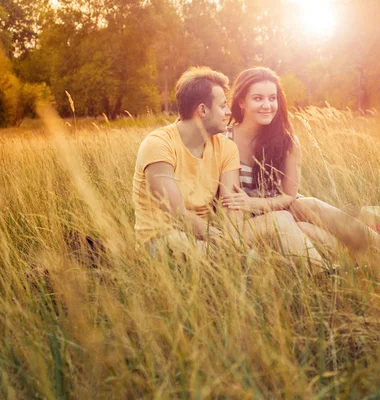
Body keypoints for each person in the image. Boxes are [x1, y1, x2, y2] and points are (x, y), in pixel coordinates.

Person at [221, 67, 380, 271]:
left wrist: (253, 202)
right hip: (249, 223)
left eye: (272, 98)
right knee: (309, 231)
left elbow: (288, 196)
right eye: (258, 98)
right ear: (241, 101)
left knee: (309, 205)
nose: (267, 105)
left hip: (282, 211)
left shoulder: (287, 142)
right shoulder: (223, 139)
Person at [132, 66, 325, 272]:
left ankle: (324, 276)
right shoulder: (158, 144)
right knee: (248, 262)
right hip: (164, 240)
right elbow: (176, 213)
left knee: (283, 220)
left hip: (211, 235)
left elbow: (232, 211)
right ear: (203, 110)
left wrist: (233, 238)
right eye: (223, 106)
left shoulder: (225, 147)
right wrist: (223, 239)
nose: (228, 112)